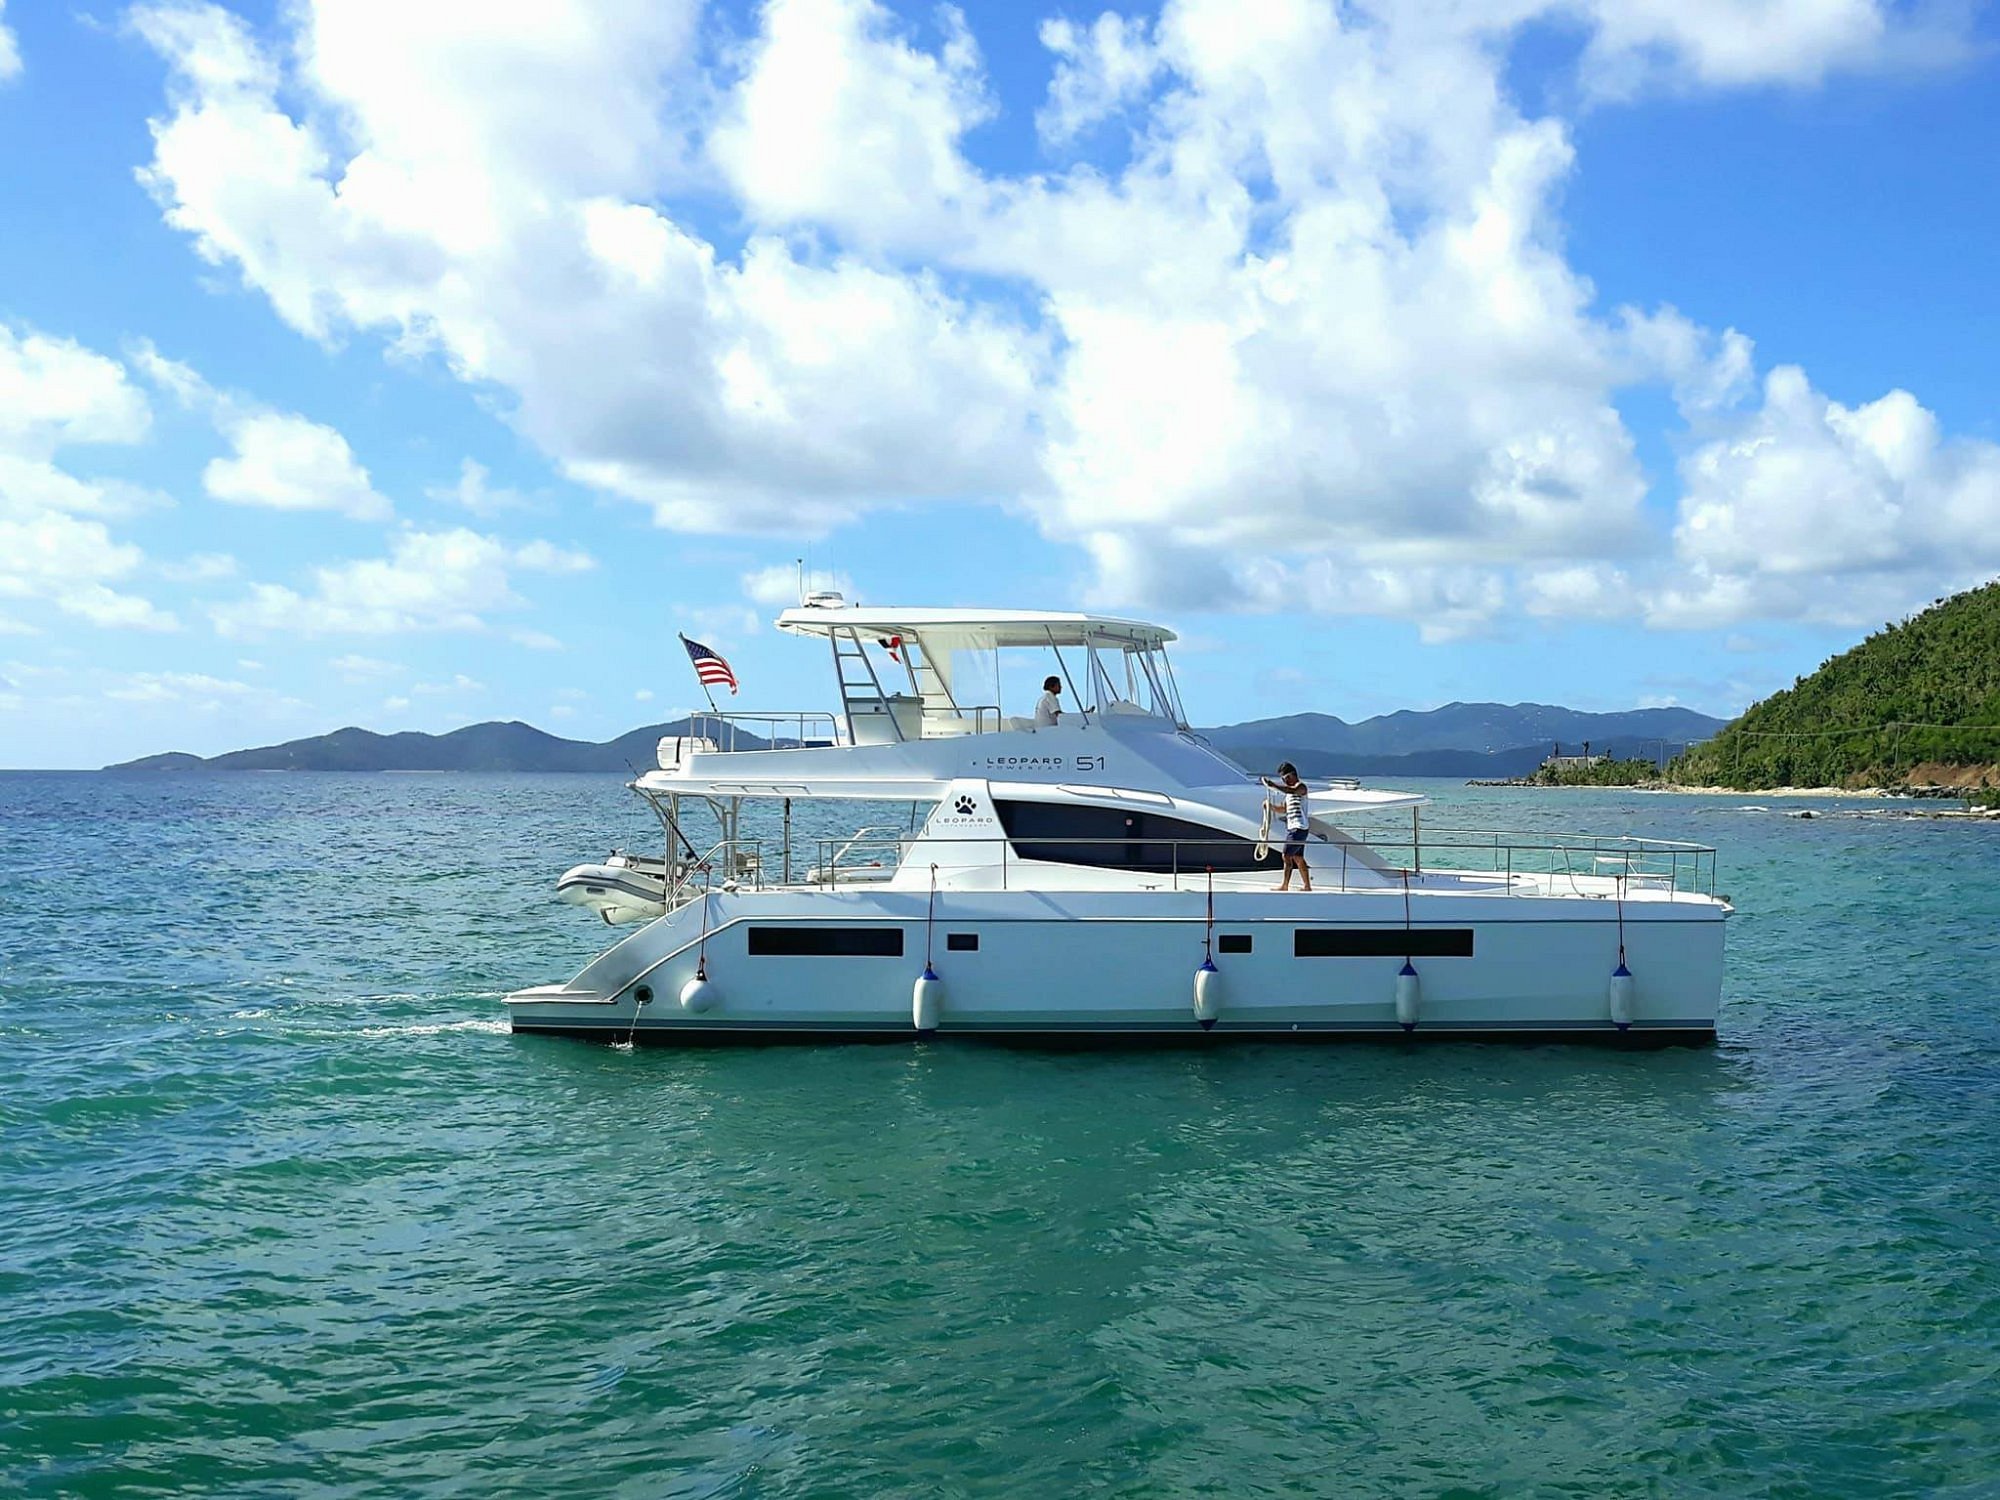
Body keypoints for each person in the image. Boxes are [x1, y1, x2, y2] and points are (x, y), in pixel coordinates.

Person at [1260, 761, 1312, 891]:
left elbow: (1293, 790)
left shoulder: (1301, 787)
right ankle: (1307, 886)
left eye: (1286, 778)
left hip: (1298, 827)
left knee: (1286, 856)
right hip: (1295, 828)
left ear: (1293, 775)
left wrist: (1273, 785)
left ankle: (1285, 885)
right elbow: (1284, 809)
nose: (1285, 781)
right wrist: (1270, 806)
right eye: (1283, 779)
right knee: (1298, 857)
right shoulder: (1289, 794)